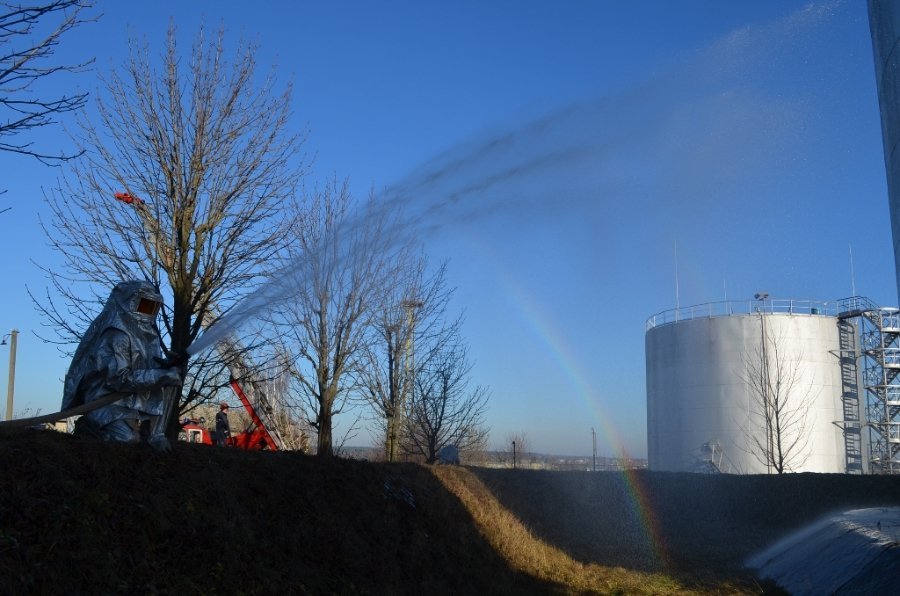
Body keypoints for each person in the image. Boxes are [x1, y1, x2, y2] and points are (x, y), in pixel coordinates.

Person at [62, 280, 185, 452]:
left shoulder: (148, 336)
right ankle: (90, 430)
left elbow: (147, 371)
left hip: (133, 400)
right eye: (145, 305)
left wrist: (166, 367)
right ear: (129, 303)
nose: (148, 312)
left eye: (153, 307)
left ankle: (156, 434)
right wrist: (161, 375)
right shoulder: (116, 335)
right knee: (125, 440)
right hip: (108, 402)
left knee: (170, 381)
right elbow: (118, 379)